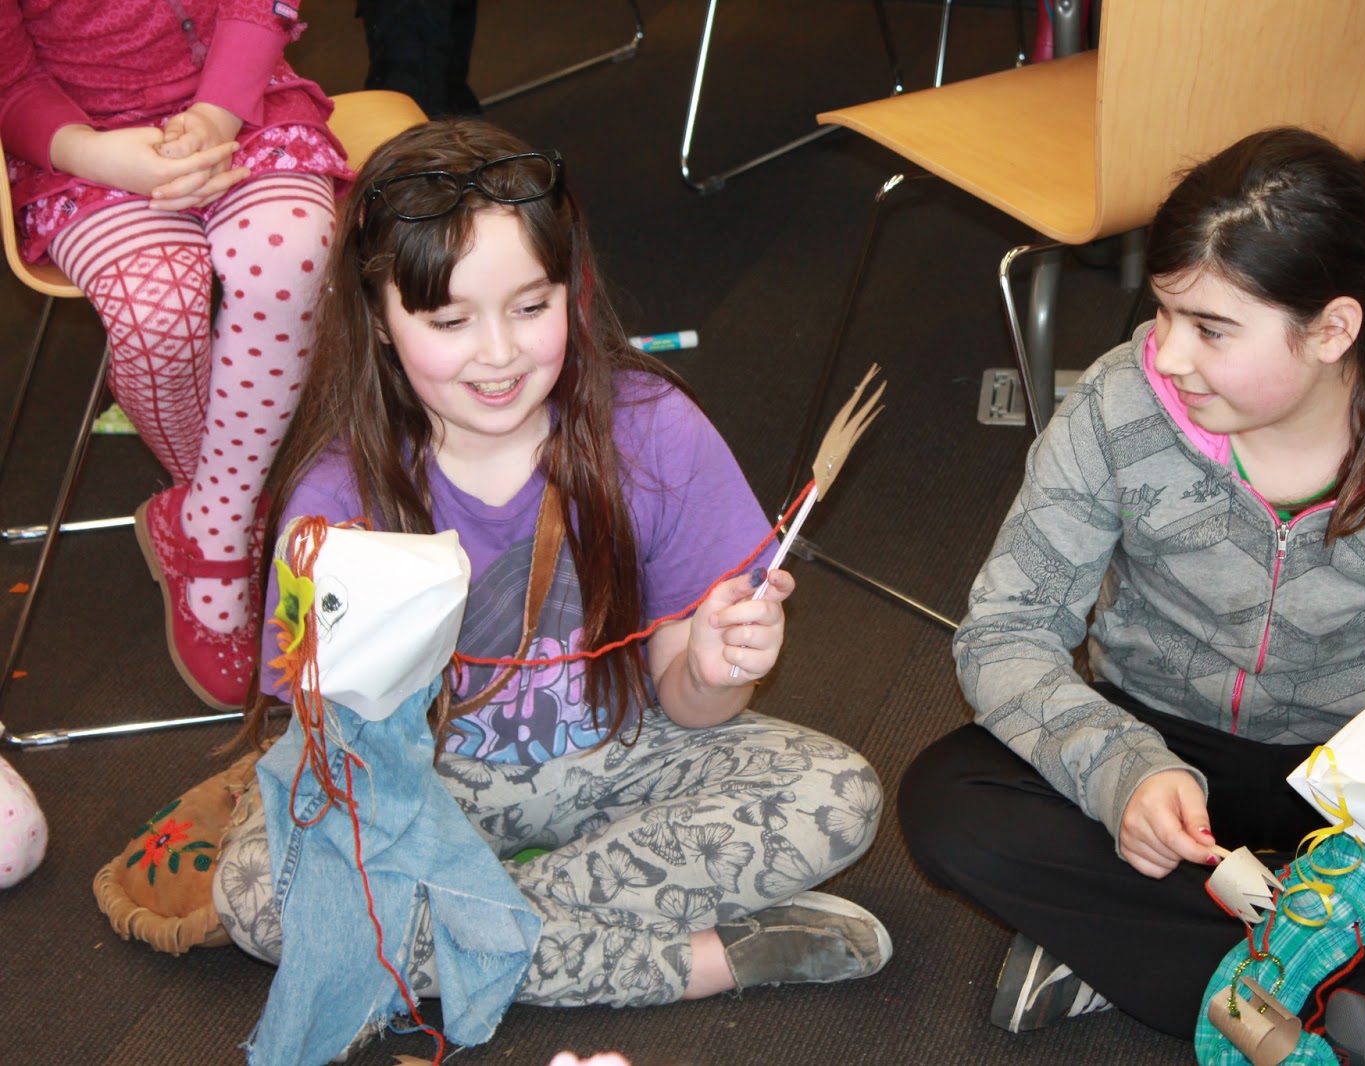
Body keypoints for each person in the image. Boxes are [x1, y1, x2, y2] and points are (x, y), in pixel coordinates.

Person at [898, 127, 1365, 1060]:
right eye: (1165, 313)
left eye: (1212, 329)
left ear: (1333, 330)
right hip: (1165, 747)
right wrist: (1121, 772)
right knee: (950, 801)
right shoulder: (1119, 403)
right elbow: (1006, 630)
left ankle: (1132, 954)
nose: (1168, 355)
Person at [210, 119, 889, 1020]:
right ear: (378, 318)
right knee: (258, 892)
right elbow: (341, 759)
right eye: (450, 321)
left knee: (839, 794)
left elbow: (691, 705)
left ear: (573, 289)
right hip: (434, 788)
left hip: (622, 759)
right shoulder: (334, 498)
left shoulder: (653, 430)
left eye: (532, 308)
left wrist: (715, 670)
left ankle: (451, 939)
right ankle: (694, 961)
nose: (498, 354)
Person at [0, 0, 350, 709]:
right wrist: (93, 153)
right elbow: (9, 81)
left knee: (286, 259)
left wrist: (217, 114)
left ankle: (214, 525)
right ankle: (234, 503)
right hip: (87, 150)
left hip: (243, 108)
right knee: (157, 316)